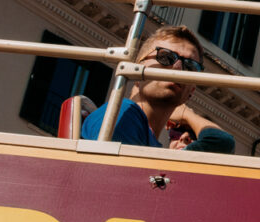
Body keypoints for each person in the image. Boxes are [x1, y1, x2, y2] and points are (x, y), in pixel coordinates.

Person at [81, 25, 234, 153]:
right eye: (165, 57)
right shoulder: (123, 112)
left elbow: (222, 143)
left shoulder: (155, 148)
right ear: (138, 68)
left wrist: (186, 114)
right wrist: (186, 114)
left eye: (189, 67)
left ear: (192, 91)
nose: (177, 68)